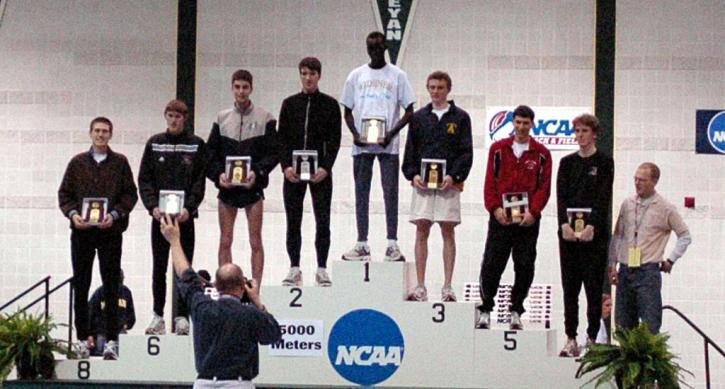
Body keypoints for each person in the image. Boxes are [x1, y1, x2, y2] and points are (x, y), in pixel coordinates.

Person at [160, 215, 282, 389]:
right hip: (238, 383)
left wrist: (174, 241)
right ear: (243, 286)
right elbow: (274, 335)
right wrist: (257, 302)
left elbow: (185, 274)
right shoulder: (251, 314)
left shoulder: (202, 306)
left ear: (215, 286)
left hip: (205, 383)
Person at [58, 116, 138, 360]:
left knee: (112, 287)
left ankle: (112, 342)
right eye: (97, 131)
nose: (101, 135)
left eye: (105, 131)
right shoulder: (77, 163)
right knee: (81, 286)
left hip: (110, 234)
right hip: (82, 234)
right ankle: (82, 340)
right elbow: (64, 194)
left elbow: (130, 195)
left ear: (110, 135)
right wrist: (73, 215)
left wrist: (114, 214)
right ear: (90, 133)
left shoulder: (120, 163)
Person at [340, 31, 416, 262]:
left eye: (378, 47)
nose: (374, 50)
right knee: (361, 193)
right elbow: (347, 111)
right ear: (366, 48)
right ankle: (362, 242)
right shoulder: (356, 75)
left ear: (385, 48)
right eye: (370, 47)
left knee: (390, 193)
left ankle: (392, 243)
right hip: (362, 147)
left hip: (388, 146)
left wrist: (391, 134)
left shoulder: (398, 76)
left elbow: (409, 110)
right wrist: (354, 135)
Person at [476, 105, 552, 330]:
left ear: (532, 124)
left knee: (525, 265)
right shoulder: (498, 149)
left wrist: (534, 212)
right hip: (501, 219)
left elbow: (544, 187)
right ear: (512, 122)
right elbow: (490, 181)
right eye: (518, 122)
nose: (521, 127)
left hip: (527, 221)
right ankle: (485, 309)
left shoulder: (542, 154)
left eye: (525, 123)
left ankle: (516, 310)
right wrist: (495, 208)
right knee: (492, 263)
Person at [402, 71, 473, 302]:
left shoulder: (461, 118)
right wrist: (412, 175)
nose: (436, 91)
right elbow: (410, 151)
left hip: (448, 185)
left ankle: (447, 286)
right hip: (423, 186)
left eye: (440, 87)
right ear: (427, 88)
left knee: (447, 231)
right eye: (432, 87)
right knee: (421, 229)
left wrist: (454, 176)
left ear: (448, 89)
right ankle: (421, 286)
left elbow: (466, 153)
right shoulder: (419, 117)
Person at [138, 99, 207, 336]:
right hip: (160, 220)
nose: (174, 120)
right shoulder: (154, 143)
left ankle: (182, 317)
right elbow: (144, 180)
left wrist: (189, 207)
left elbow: (200, 181)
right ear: (165, 116)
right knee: (159, 267)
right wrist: (152, 207)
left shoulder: (196, 144)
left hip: (185, 220)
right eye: (170, 115)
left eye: (178, 116)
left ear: (184, 118)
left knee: (184, 268)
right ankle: (158, 316)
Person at [206, 69, 279, 287]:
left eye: (245, 87)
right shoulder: (221, 117)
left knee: (255, 240)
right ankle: (225, 287)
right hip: (227, 189)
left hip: (252, 188)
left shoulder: (265, 117)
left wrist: (257, 172)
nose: (241, 91)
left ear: (251, 89)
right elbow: (210, 153)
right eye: (237, 87)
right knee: (225, 239)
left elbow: (274, 153)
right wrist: (218, 175)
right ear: (232, 88)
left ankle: (256, 286)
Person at [278, 57, 341, 287]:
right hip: (293, 173)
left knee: (322, 221)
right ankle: (294, 268)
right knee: (293, 221)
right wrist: (285, 167)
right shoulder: (289, 104)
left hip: (320, 174)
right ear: (300, 75)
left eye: (312, 74)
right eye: (304, 73)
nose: (308, 78)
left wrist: (326, 167)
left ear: (319, 76)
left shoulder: (330, 105)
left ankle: (321, 268)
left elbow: (335, 140)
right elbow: (281, 139)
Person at [556, 114, 614, 357]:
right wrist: (563, 225)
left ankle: (591, 338)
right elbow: (561, 197)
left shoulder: (605, 162)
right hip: (569, 236)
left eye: (584, 131)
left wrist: (592, 226)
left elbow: (603, 198)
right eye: (577, 131)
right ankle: (571, 338)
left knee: (592, 289)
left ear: (594, 134)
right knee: (570, 288)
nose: (579, 136)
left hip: (594, 237)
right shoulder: (567, 162)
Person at [609, 162, 691, 334]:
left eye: (643, 180)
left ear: (654, 181)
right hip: (625, 269)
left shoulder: (665, 207)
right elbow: (617, 236)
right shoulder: (627, 204)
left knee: (650, 324)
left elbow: (685, 236)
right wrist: (612, 265)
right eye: (635, 179)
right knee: (622, 325)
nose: (637, 183)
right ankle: (626, 359)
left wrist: (671, 259)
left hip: (648, 271)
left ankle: (648, 358)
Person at [88, 269, 136, 357]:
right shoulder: (100, 292)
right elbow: (90, 313)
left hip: (120, 331)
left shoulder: (126, 292)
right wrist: (90, 334)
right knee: (102, 359)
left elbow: (131, 314)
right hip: (102, 332)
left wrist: (127, 324)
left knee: (120, 359)